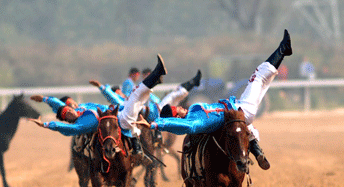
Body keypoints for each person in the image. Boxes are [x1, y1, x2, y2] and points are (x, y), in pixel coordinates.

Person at [136, 30, 293, 170]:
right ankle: (283, 49)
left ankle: (256, 149)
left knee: (264, 81)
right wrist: (154, 124)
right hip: (241, 111)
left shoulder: (193, 111)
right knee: (258, 76)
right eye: (178, 109)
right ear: (176, 116)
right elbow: (180, 126)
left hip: (238, 107)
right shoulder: (194, 121)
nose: (181, 107)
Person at [30, 54, 167, 160]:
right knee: (137, 94)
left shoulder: (80, 108)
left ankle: (157, 81)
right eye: (68, 114)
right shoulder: (79, 125)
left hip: (119, 111)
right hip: (121, 120)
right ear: (68, 119)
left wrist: (44, 98)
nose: (71, 111)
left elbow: (57, 103)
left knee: (140, 96)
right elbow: (63, 127)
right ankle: (157, 73)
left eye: (69, 109)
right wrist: (45, 124)